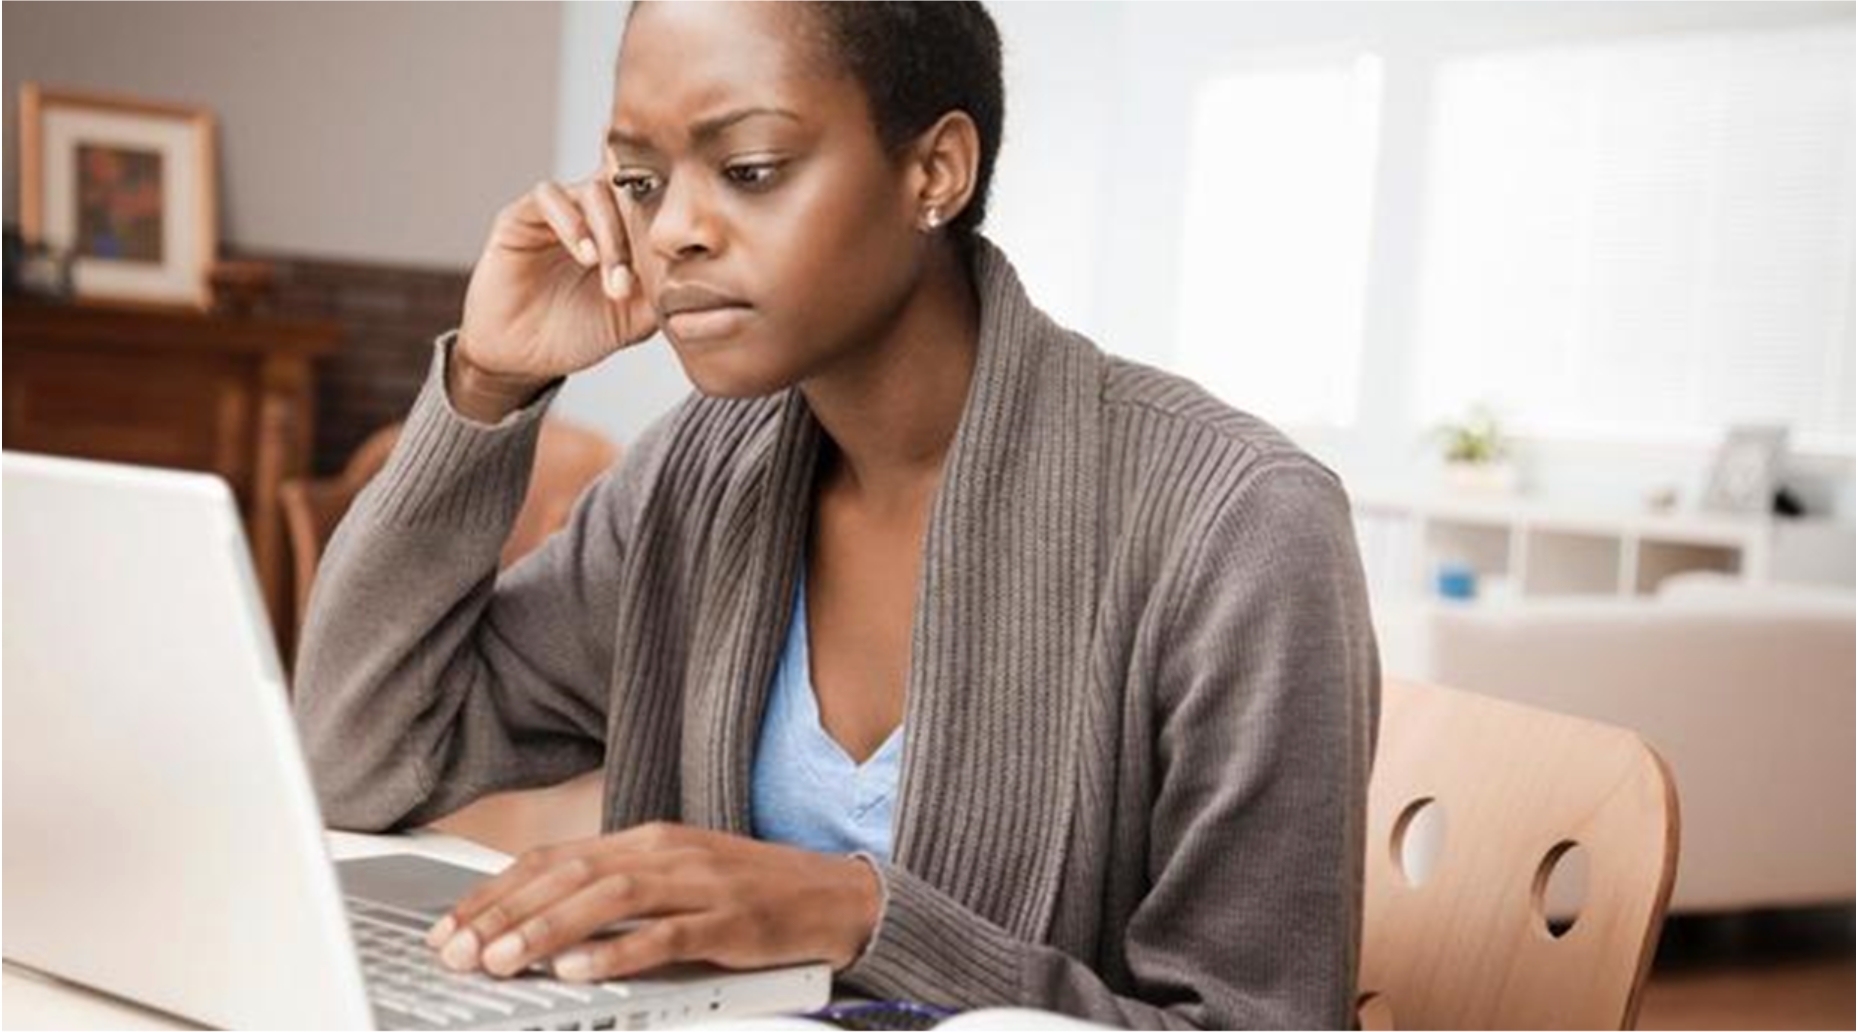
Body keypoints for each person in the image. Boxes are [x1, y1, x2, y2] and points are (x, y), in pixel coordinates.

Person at [292, 2, 1380, 1027]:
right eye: (635, 179)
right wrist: (488, 381)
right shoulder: (692, 478)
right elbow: (362, 763)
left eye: (748, 169)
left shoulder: (1236, 524)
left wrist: (859, 919)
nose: (671, 230)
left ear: (934, 171)